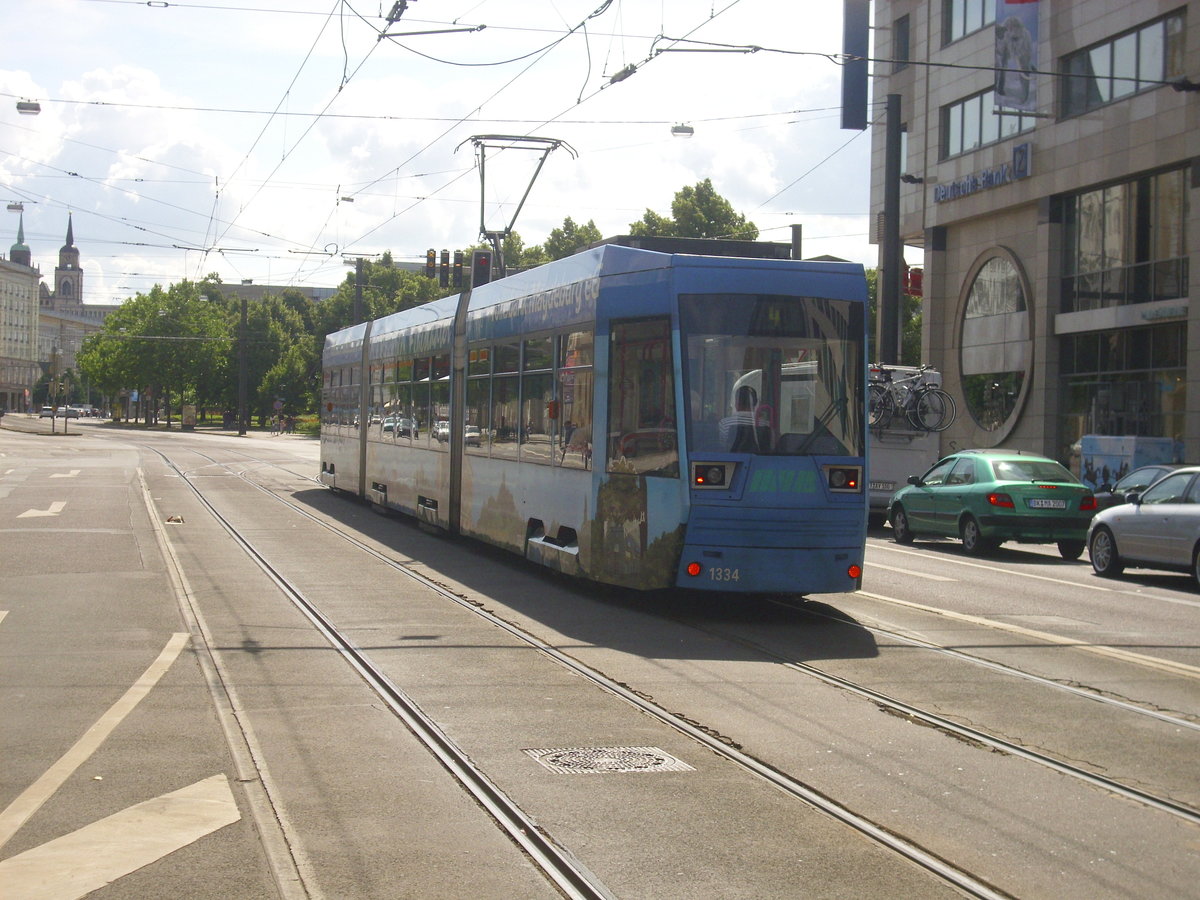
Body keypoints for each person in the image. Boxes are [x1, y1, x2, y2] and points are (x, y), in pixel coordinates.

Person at [719, 386, 758, 450]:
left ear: (736, 402)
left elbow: (723, 445)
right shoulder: (765, 423)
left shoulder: (725, 423)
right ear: (755, 403)